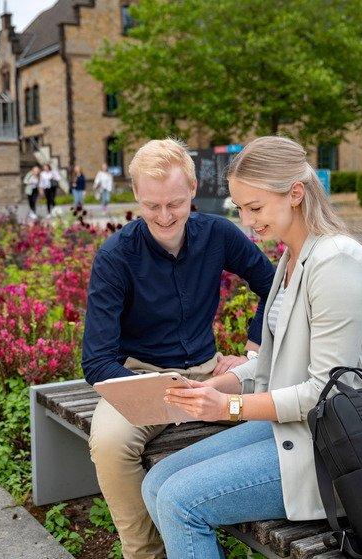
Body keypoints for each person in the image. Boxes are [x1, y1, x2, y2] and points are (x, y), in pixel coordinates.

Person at [140, 136, 362, 557]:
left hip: (335, 449)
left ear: (295, 193)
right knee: (155, 481)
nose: (247, 221)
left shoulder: (338, 263)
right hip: (293, 431)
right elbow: (272, 364)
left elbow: (326, 392)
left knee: (177, 500)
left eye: (255, 208)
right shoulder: (292, 259)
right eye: (240, 209)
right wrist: (219, 386)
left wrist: (228, 409)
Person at [82, 138, 276, 559]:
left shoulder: (218, 233)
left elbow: (274, 284)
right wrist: (155, 392)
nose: (164, 216)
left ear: (192, 189)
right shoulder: (116, 256)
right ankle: (145, 551)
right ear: (135, 196)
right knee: (111, 444)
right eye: (152, 206)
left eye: (175, 203)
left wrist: (254, 344)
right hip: (139, 376)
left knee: (281, 410)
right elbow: (96, 361)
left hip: (212, 373)